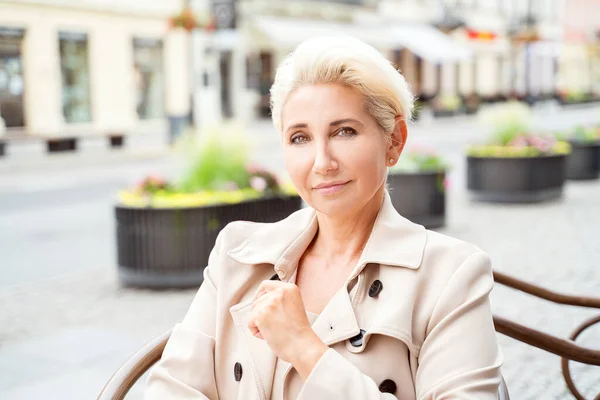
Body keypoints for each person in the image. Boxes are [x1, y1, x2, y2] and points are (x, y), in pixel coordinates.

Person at [145, 35, 503, 399]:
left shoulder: (450, 275)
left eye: (344, 131)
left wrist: (307, 350)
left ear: (394, 140)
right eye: (299, 138)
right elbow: (172, 387)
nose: (322, 162)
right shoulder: (238, 254)